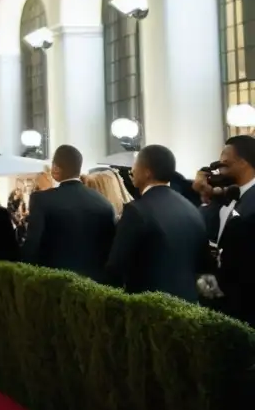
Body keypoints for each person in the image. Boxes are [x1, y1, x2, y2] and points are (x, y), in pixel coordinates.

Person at [106, 144, 208, 302]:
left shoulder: (136, 211)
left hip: (152, 308)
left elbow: (117, 265)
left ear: (147, 172)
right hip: (189, 305)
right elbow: (202, 261)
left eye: (135, 165)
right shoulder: (191, 208)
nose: (131, 171)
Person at [21, 144, 117, 282]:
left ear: (55, 168)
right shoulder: (104, 202)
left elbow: (32, 247)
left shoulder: (42, 200)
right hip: (95, 287)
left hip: (56, 284)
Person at [211, 135, 255, 323]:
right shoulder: (238, 196)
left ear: (243, 163)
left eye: (225, 164)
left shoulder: (251, 204)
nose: (219, 169)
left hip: (246, 302)